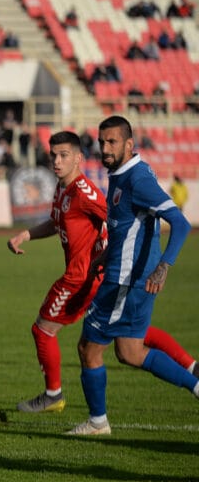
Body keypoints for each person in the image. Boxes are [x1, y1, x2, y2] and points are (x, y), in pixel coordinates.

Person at [7, 131, 195, 413]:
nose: (56, 162)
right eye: (53, 156)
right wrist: (26, 234)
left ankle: (54, 396)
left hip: (80, 278)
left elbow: (115, 219)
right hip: (92, 274)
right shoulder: (63, 189)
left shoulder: (86, 193)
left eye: (63, 156)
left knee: (43, 329)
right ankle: (192, 368)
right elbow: (56, 221)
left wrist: (108, 254)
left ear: (79, 159)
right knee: (129, 337)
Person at [71, 116, 198, 436]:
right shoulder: (121, 173)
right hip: (128, 276)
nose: (105, 148)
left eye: (112, 142)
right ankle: (197, 386)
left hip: (125, 282)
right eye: (102, 141)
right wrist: (106, 255)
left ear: (130, 144)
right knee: (130, 352)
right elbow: (128, 227)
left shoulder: (137, 179)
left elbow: (181, 224)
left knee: (89, 348)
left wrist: (164, 265)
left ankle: (98, 422)